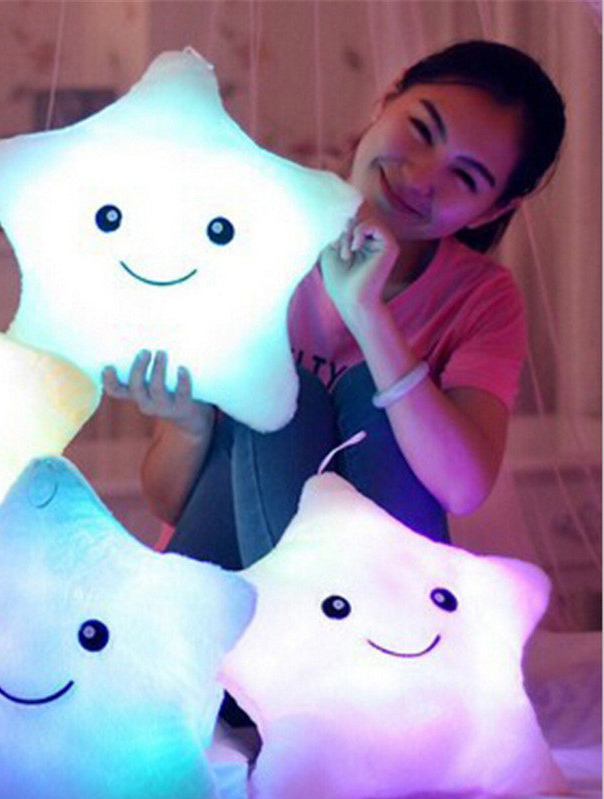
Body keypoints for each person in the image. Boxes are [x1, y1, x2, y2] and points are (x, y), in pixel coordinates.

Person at [104, 40, 567, 575]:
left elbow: (462, 489)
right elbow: (170, 505)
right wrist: (189, 426)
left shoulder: (481, 297)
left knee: (369, 396)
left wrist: (367, 314)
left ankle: (320, 623)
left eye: (465, 178)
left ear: (493, 209)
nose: (420, 179)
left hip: (367, 586)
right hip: (227, 576)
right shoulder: (252, 229)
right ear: (386, 102)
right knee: (289, 397)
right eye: (421, 129)